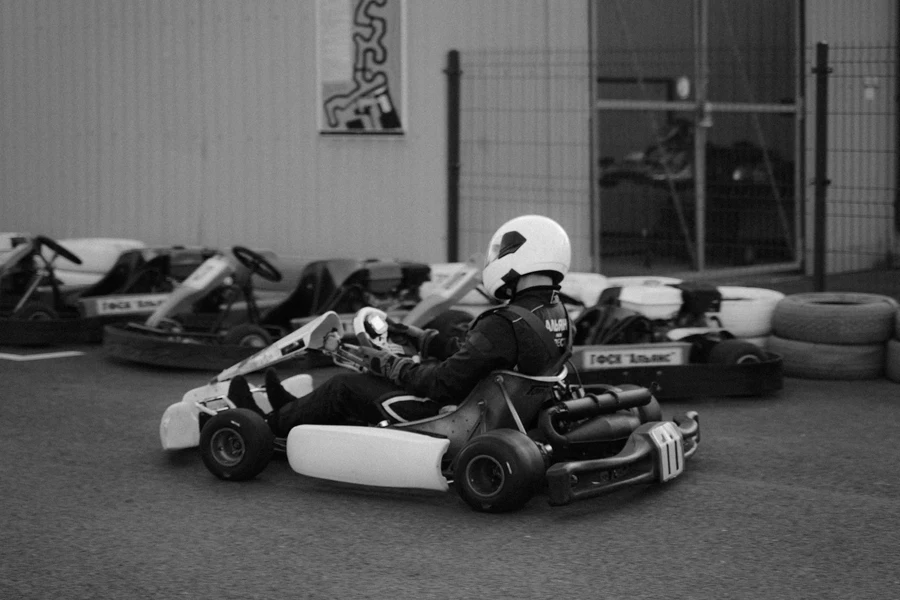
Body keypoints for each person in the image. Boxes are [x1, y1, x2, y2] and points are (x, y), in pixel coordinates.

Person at [228, 214, 574, 437]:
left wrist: (390, 363)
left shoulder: (503, 322)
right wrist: (418, 338)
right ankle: (290, 407)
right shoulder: (555, 313)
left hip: (452, 417)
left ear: (519, 255)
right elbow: (479, 357)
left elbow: (440, 384)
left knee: (346, 386)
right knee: (384, 373)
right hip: (496, 408)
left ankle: (266, 426)